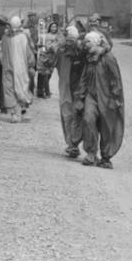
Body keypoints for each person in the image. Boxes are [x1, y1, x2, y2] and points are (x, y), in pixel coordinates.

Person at [77, 31, 125, 169]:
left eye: (88, 41)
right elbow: (84, 78)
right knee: (88, 119)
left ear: (95, 42)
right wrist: (80, 97)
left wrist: (115, 98)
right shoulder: (89, 58)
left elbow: (116, 79)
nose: (85, 44)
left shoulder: (108, 58)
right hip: (91, 96)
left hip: (106, 98)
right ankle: (91, 153)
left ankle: (106, 157)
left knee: (107, 127)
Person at [57, 24, 86, 160]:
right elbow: (46, 63)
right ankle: (72, 144)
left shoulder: (82, 53)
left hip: (78, 90)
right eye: (68, 40)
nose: (70, 43)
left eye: (72, 40)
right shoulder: (60, 51)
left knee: (77, 117)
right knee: (67, 116)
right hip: (65, 89)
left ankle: (75, 143)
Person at [0, 16, 35, 123]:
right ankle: (23, 111)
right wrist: (31, 65)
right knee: (22, 88)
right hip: (21, 69)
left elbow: (1, 53)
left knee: (9, 89)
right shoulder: (24, 37)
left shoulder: (4, 38)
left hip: (7, 67)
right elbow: (29, 54)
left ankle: (13, 114)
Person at [36, 21, 60, 98]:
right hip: (45, 57)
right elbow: (41, 45)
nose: (54, 28)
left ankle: (44, 90)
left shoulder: (58, 36)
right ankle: (45, 91)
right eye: (52, 27)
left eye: (55, 27)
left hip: (53, 58)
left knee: (49, 74)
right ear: (50, 28)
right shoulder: (46, 36)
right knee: (44, 74)